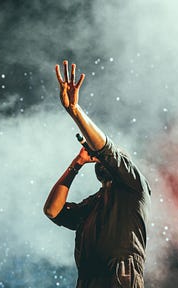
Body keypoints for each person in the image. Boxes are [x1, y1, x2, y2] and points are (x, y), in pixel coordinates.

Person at [43, 60, 151, 288]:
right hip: (88, 280)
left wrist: (75, 111)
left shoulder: (134, 185)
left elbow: (107, 149)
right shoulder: (94, 203)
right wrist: (77, 163)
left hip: (119, 276)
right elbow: (53, 211)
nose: (100, 158)